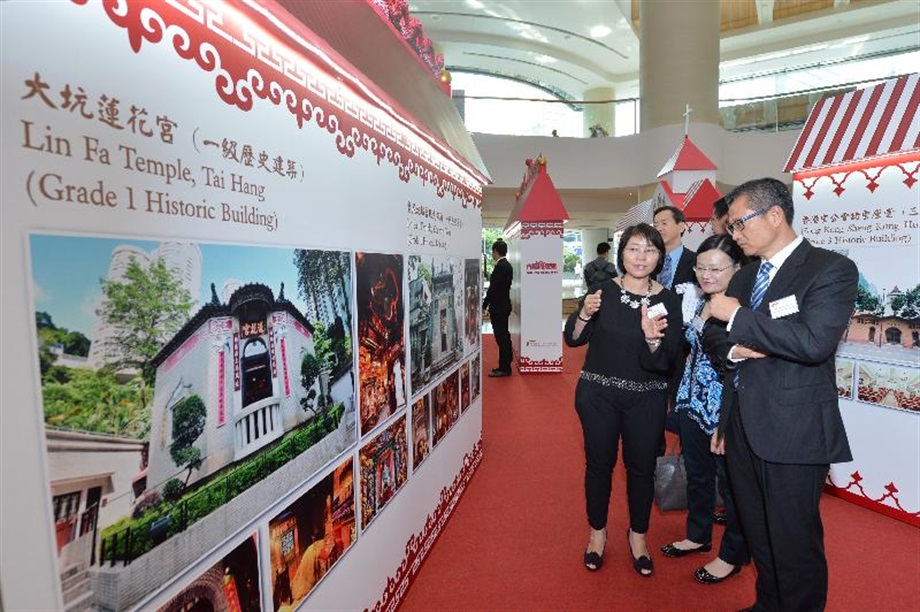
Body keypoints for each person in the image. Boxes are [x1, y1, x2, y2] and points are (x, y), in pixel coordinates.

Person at [706, 177, 857, 612]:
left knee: (794, 543)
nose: (734, 234)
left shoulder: (830, 269)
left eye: (739, 224)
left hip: (794, 431)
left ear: (775, 215)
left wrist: (739, 318)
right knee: (759, 535)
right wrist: (734, 345)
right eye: (731, 226)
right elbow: (715, 336)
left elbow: (813, 343)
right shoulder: (747, 275)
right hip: (742, 426)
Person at [563, 223, 683, 577]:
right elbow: (572, 339)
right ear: (622, 253)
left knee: (642, 469)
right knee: (598, 466)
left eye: (649, 249)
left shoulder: (668, 300)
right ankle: (597, 534)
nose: (641, 256)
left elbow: (668, 359)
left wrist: (651, 340)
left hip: (645, 400)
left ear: (660, 255)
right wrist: (585, 313)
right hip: (598, 395)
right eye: (633, 248)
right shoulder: (602, 292)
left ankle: (639, 536)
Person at [660, 234, 750, 585]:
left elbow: (738, 363)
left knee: (731, 486)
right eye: (701, 267)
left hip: (725, 409)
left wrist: (726, 418)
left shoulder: (744, 308)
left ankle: (732, 554)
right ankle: (698, 535)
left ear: (737, 267)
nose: (706, 274)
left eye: (716, 268)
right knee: (697, 473)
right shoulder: (701, 299)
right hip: (691, 401)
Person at [483, 239, 513, 377]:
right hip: (504, 305)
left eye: (492, 251)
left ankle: (504, 368)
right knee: (504, 337)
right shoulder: (507, 265)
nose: (492, 254)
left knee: (502, 338)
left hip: (499, 308)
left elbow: (493, 289)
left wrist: (485, 304)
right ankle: (505, 365)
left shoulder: (500, 267)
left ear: (495, 251)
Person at [653, 206, 697, 290]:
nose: (659, 229)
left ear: (681, 227)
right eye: (655, 225)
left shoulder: (696, 261)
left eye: (664, 223)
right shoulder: (649, 260)